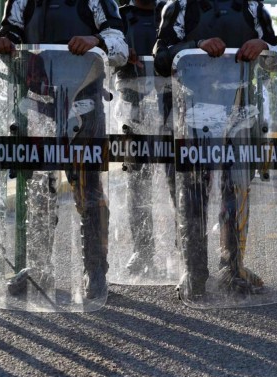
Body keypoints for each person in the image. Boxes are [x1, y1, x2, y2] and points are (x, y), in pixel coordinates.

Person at [0, 0, 129, 299]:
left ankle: (96, 273)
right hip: (38, 107)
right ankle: (38, 271)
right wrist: (3, 45)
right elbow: (10, 37)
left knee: (89, 194)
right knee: (41, 192)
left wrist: (96, 41)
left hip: (85, 108)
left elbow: (120, 48)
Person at [153, 0, 277, 297]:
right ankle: (194, 273)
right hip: (194, 118)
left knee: (234, 198)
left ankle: (232, 270)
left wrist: (262, 45)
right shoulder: (179, 7)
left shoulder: (253, 8)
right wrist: (197, 45)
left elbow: (276, 59)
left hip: (242, 119)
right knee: (193, 200)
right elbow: (161, 59)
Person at [114, 0, 169, 275]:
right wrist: (122, 56)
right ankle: (143, 252)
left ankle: (180, 253)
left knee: (177, 183)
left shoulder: (172, 12)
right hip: (133, 113)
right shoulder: (120, 16)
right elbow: (108, 53)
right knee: (137, 186)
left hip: (170, 111)